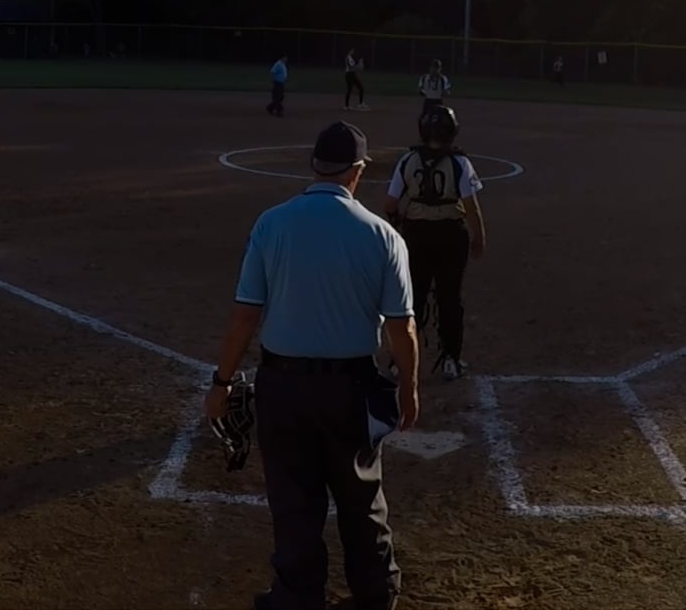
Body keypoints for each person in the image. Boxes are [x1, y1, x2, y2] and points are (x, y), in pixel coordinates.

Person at [205, 121, 418, 610]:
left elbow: (244, 316)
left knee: (293, 500)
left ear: (314, 166)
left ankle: (298, 595)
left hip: (282, 387)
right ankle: (375, 593)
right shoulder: (383, 235)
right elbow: (401, 326)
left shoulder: (271, 224)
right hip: (351, 388)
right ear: (357, 171)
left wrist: (221, 382)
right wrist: (409, 386)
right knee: (361, 498)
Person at [385, 105, 487, 381]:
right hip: (451, 235)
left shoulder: (408, 160)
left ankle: (399, 361)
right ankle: (450, 360)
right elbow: (471, 207)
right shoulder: (460, 162)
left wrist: (400, 222)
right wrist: (479, 237)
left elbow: (390, 203)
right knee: (450, 297)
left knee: (413, 297)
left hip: (416, 234)